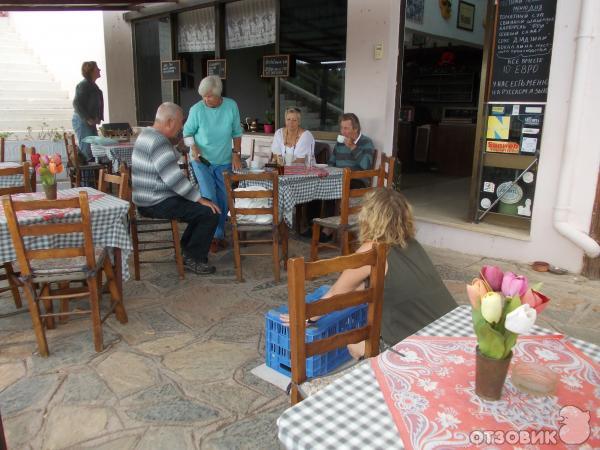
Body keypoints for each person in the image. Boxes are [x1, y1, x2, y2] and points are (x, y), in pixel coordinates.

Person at [282, 188, 458, 358]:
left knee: (354, 344)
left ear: (369, 218)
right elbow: (364, 286)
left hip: (418, 347)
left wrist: (306, 317)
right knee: (363, 294)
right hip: (449, 330)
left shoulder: (373, 250)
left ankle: (376, 379)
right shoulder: (412, 244)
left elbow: (336, 292)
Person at [132, 102, 220, 275]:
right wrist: (199, 198)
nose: (180, 129)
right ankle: (193, 257)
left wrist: (179, 148)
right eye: (180, 124)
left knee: (204, 207)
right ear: (170, 122)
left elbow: (165, 161)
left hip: (146, 199)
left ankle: (185, 252)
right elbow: (174, 179)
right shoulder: (159, 141)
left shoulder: (147, 134)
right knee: (210, 212)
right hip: (155, 202)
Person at [183, 75, 243, 253]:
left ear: (218, 94)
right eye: (203, 95)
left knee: (224, 198)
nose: (205, 99)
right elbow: (187, 133)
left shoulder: (231, 106)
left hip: (224, 160)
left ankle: (218, 234)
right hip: (202, 161)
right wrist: (193, 146)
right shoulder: (197, 110)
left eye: (209, 96)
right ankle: (212, 237)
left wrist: (236, 154)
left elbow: (236, 133)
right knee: (210, 197)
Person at [72, 61, 103, 163]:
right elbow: (76, 103)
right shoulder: (83, 85)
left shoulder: (92, 85)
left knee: (93, 149)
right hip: (83, 122)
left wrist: (98, 117)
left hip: (88, 122)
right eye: (97, 68)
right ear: (91, 71)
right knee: (88, 151)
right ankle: (87, 178)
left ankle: (93, 177)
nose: (99, 70)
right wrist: (88, 119)